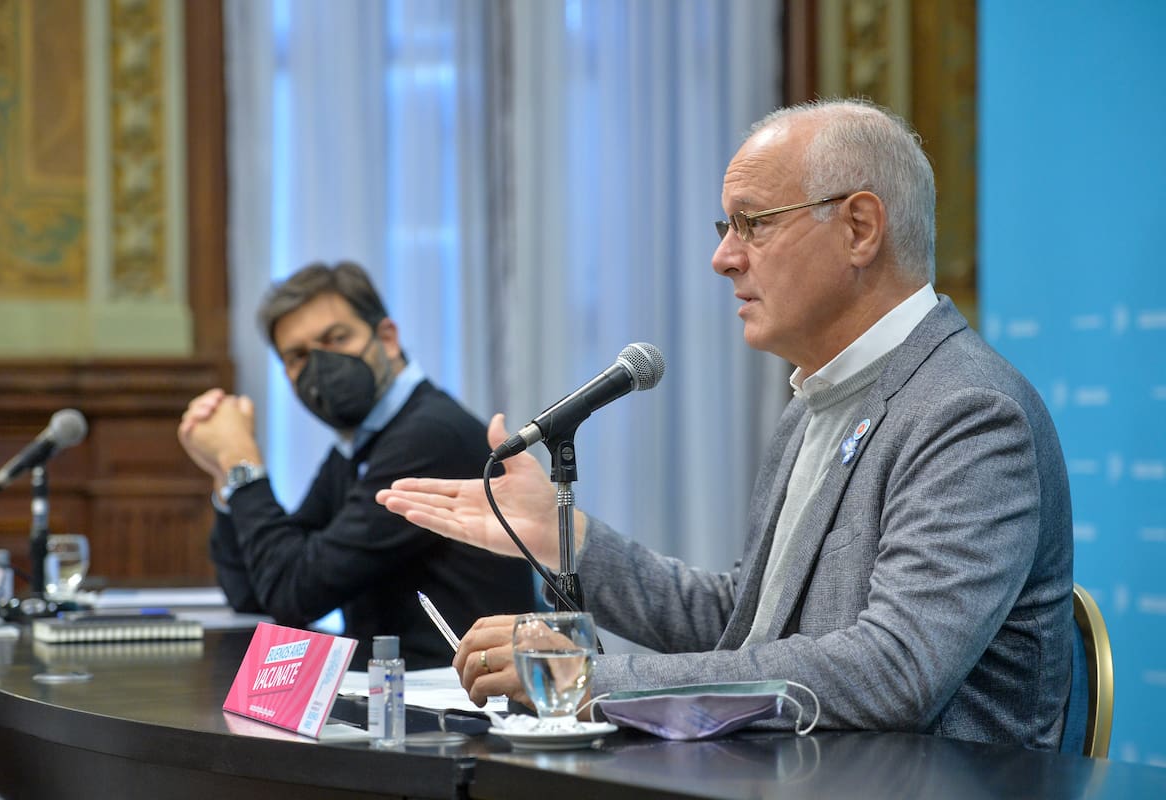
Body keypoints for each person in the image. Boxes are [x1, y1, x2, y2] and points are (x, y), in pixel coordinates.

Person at [377, 99, 1075, 750]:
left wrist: (593, 680)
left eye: (754, 223)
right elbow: (746, 623)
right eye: (726, 228)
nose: (723, 257)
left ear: (860, 228)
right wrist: (571, 540)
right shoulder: (816, 401)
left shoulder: (969, 412)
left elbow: (894, 669)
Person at [178, 261, 534, 669]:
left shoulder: (427, 438)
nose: (320, 367)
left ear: (387, 338)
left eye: (336, 338)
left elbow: (292, 591)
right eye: (297, 356)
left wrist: (242, 462)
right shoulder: (361, 443)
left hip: (459, 706)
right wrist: (227, 477)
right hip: (397, 695)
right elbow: (258, 590)